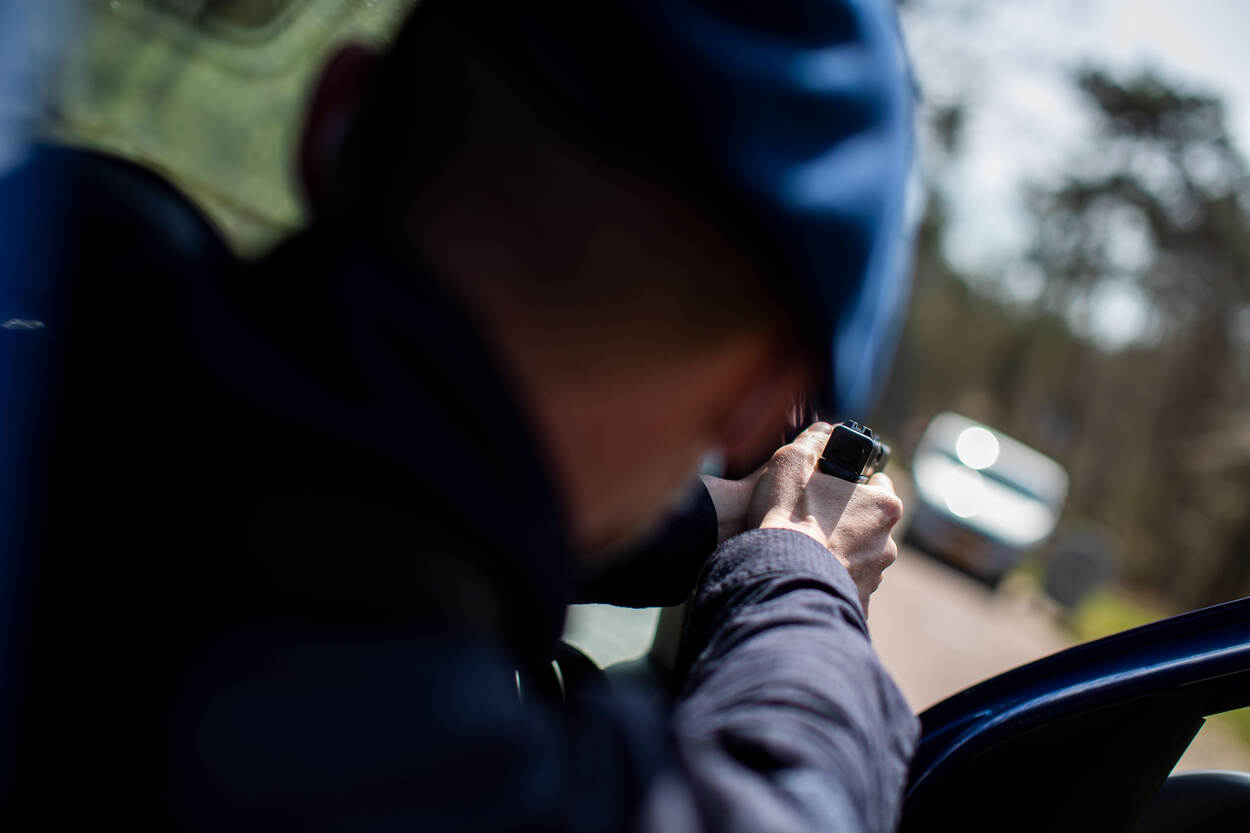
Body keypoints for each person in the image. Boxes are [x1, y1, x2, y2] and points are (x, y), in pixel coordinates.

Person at [9, 0, 918, 830]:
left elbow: (384, 473)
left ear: (333, 121)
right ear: (758, 395)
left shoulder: (66, 345)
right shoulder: (442, 775)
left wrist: (731, 519)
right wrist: (802, 566)